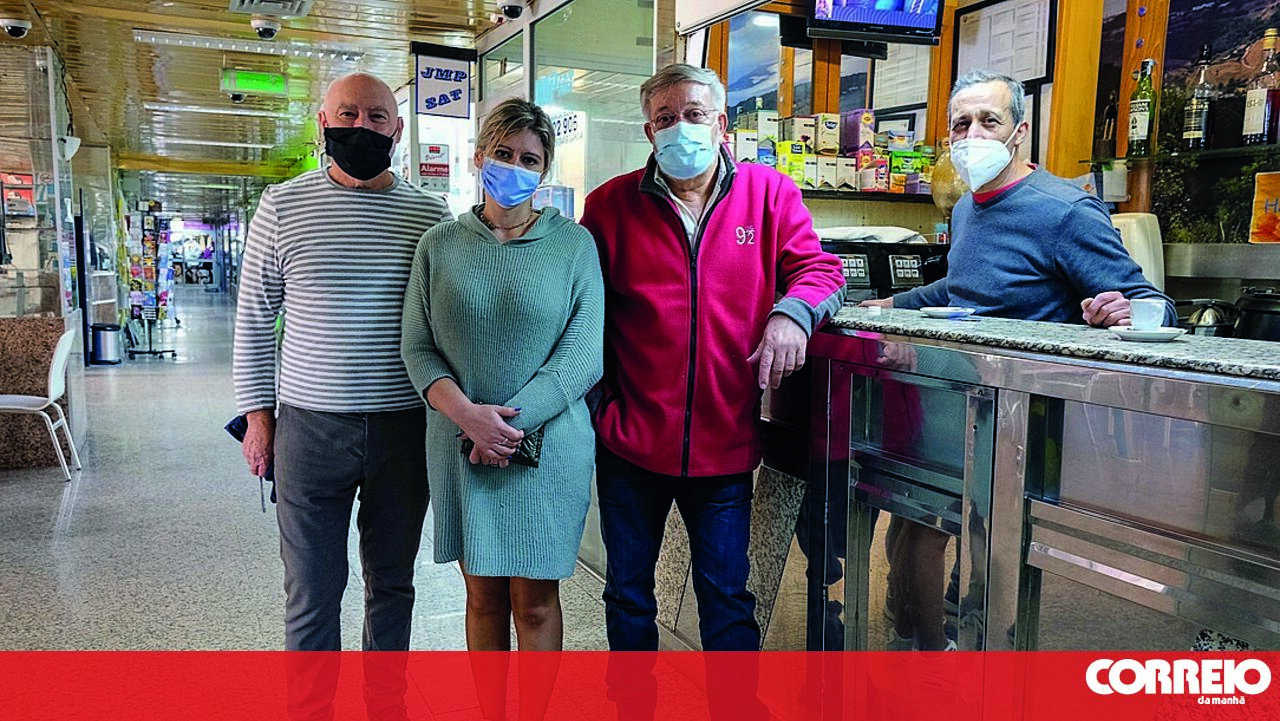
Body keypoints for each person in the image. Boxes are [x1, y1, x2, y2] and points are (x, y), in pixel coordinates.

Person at [580, 63, 847, 657]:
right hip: (629, 445)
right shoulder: (609, 206)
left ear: (721, 124)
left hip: (724, 444)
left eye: (694, 114)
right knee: (627, 597)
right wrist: (602, 409)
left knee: (727, 600)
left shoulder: (768, 194)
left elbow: (821, 271)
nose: (681, 127)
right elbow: (579, 309)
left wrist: (791, 314)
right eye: (666, 117)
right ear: (649, 131)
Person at [233, 71, 451, 667]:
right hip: (310, 429)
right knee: (311, 591)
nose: (362, 126)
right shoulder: (283, 205)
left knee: (393, 584)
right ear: (324, 123)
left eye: (377, 117)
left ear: (397, 130)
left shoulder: (429, 214)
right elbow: (254, 318)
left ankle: (387, 704)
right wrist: (258, 419)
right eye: (349, 114)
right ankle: (312, 708)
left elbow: (444, 324)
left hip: (403, 428)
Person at [399, 98, 602, 678]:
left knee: (535, 602)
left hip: (547, 449)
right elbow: (418, 347)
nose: (514, 167)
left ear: (545, 170)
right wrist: (470, 418)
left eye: (529, 159)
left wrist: (504, 427)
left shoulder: (574, 246)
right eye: (503, 153)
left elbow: (583, 356)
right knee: (482, 598)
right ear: (479, 157)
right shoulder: (439, 245)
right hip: (460, 445)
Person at [862, 69, 1175, 326]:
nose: (973, 135)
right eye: (962, 124)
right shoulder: (964, 207)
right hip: (969, 371)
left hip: (1035, 377)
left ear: (1020, 132)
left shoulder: (1067, 211)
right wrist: (890, 304)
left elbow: (1155, 306)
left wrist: (1127, 312)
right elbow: (964, 286)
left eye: (989, 121)